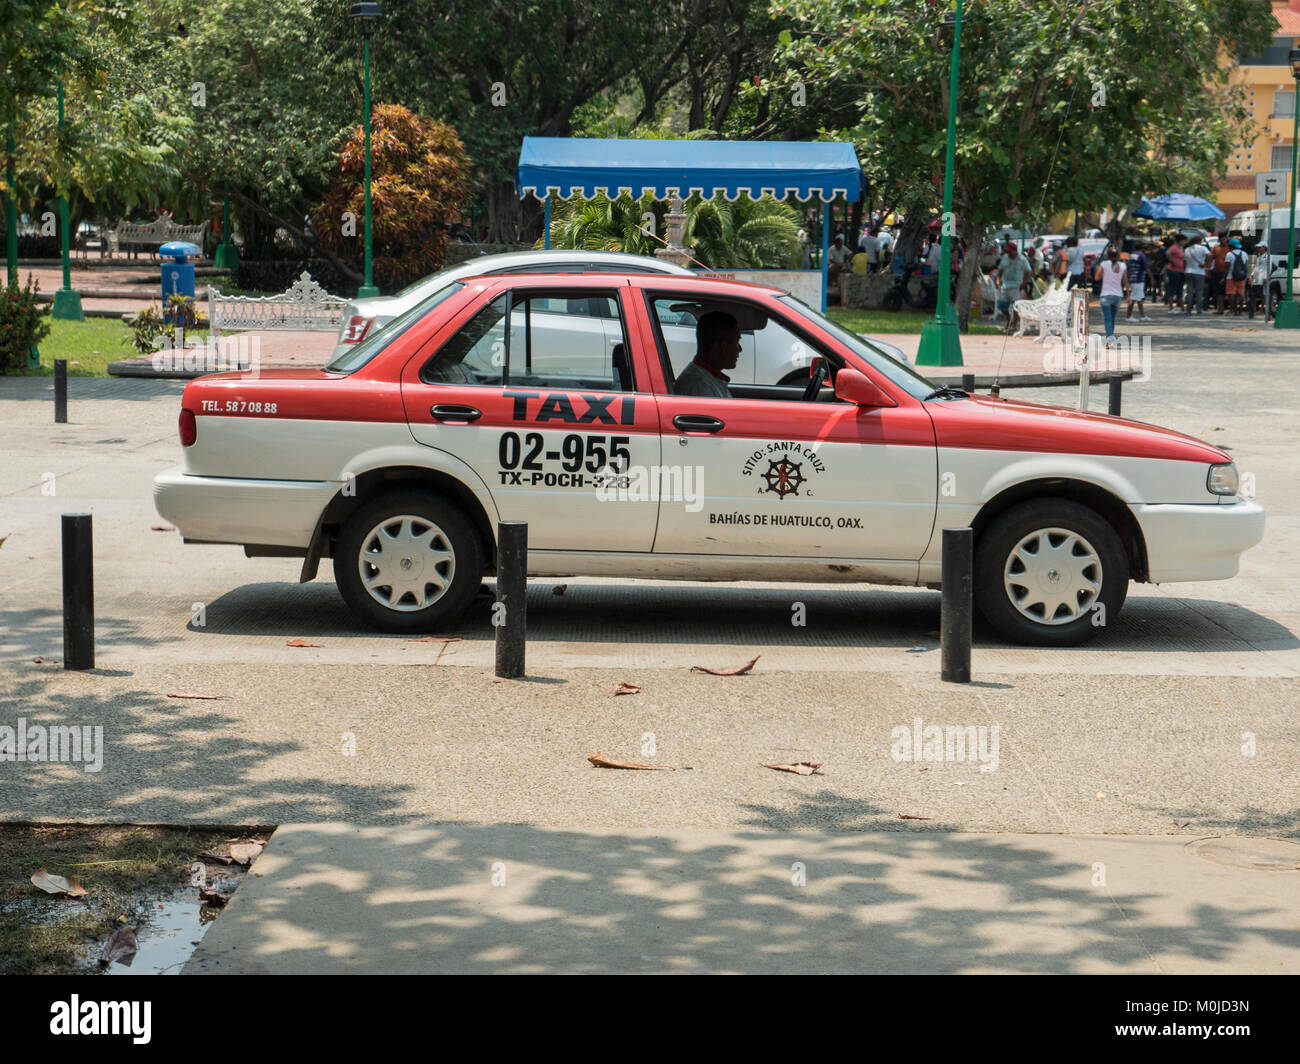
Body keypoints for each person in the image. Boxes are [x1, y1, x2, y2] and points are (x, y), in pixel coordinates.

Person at [673, 311, 740, 398]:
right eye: (737, 342)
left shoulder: (705, 380)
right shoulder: (699, 387)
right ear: (721, 346)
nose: (740, 349)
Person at [992, 242, 1031, 333]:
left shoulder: (1022, 259)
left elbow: (1028, 272)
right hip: (1005, 285)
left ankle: (1014, 323)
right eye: (1007, 251)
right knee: (1002, 305)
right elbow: (1000, 270)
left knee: (1015, 306)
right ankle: (1009, 319)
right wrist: (998, 280)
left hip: (1017, 286)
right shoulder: (1005, 258)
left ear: (1015, 251)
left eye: (1010, 251)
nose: (1008, 253)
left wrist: (1024, 283)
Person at [1094, 246, 1129, 343]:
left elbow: (1097, 278)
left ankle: (1110, 335)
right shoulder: (1123, 266)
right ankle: (1111, 334)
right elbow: (1126, 282)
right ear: (1118, 256)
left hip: (1105, 295)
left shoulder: (1104, 264)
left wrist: (1098, 269)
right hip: (1117, 296)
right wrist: (1129, 295)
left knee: (1107, 318)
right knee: (1113, 317)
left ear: (1107, 255)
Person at [1223, 237, 1249, 317]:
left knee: (1231, 294)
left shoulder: (1229, 254)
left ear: (1231, 246)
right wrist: (1245, 274)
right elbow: (1246, 266)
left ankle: (1232, 310)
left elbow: (1226, 267)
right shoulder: (1244, 254)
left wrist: (1224, 277)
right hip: (1241, 277)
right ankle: (1240, 310)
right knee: (1240, 293)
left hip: (1230, 277)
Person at [1125, 242, 1151, 322]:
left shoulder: (1131, 255)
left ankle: (1142, 316)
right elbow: (1146, 267)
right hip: (1138, 279)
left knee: (1139, 298)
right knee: (1133, 298)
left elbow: (1127, 267)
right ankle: (1128, 316)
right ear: (1142, 248)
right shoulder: (1141, 255)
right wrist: (1151, 278)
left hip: (1132, 278)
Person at [1183, 235, 1209, 315]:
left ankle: (1188, 310)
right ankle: (1199, 310)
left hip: (1188, 271)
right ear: (1199, 241)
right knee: (1199, 292)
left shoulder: (1187, 249)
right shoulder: (1203, 248)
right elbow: (1210, 255)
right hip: (1199, 272)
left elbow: (1184, 261)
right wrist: (1206, 264)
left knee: (1189, 291)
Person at [1208, 232, 1231, 313]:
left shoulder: (1230, 248)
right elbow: (1211, 258)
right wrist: (1208, 269)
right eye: (1222, 239)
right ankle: (1220, 309)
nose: (1223, 240)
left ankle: (1232, 310)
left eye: (1225, 238)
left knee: (1229, 292)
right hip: (1217, 272)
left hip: (1228, 272)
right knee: (1219, 292)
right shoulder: (1216, 248)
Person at [1248, 242, 1270, 320]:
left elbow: (1268, 268)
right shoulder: (1258, 256)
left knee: (1263, 293)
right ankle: (1255, 309)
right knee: (1254, 294)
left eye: (1260, 247)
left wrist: (1265, 278)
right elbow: (1255, 267)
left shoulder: (1268, 257)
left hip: (1263, 277)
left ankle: (1262, 308)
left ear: (1265, 247)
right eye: (1258, 247)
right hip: (1257, 278)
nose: (1259, 249)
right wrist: (1251, 276)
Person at [1164, 234, 1186, 310]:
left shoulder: (1180, 248)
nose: (1185, 242)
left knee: (1179, 289)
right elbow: (1167, 253)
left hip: (1180, 271)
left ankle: (1182, 307)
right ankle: (1171, 307)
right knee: (1172, 289)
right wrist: (1173, 262)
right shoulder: (1174, 247)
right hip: (1174, 270)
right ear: (1180, 241)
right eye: (1184, 241)